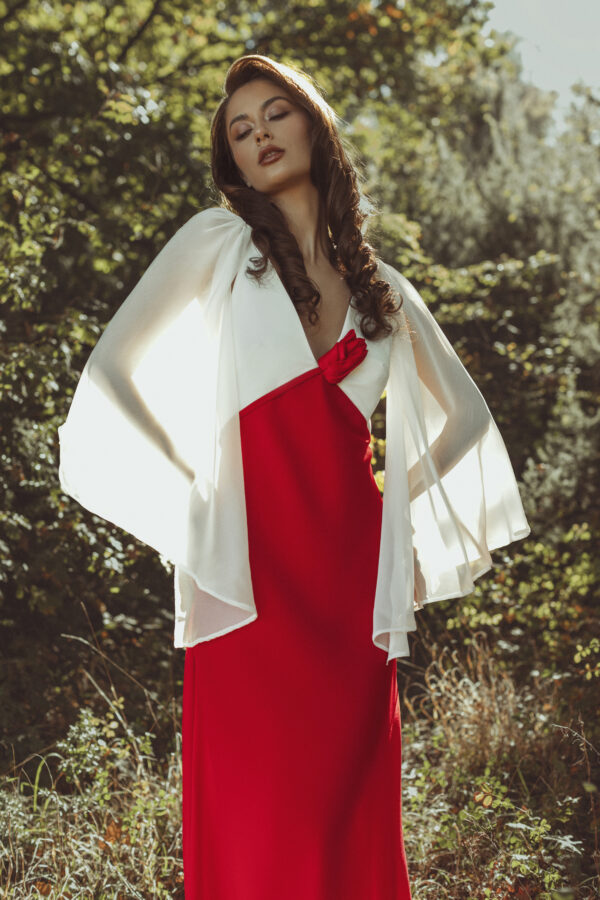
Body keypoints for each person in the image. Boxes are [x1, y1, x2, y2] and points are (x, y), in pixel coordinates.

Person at [57, 54, 531, 899]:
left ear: (314, 123)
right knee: (256, 806)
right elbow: (114, 374)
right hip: (246, 574)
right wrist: (198, 493)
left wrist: (395, 515)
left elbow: (466, 422)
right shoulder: (218, 246)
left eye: (274, 113)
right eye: (240, 130)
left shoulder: (383, 289)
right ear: (232, 161)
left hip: (349, 582)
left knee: (339, 810)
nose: (259, 134)